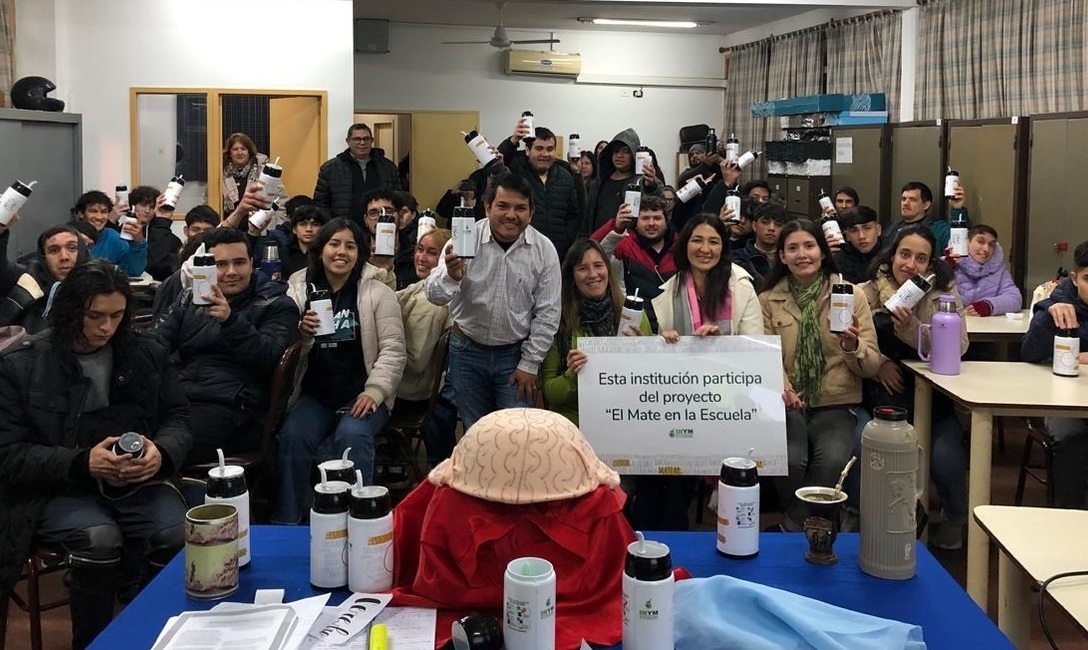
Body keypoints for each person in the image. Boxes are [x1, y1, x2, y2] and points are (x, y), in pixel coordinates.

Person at [0, 260, 191, 649]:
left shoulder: (145, 351)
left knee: (175, 534)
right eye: (95, 316)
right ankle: (94, 643)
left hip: (136, 480)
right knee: (99, 540)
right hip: (58, 487)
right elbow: (8, 456)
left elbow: (179, 417)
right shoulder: (21, 364)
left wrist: (163, 452)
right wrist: (81, 462)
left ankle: (153, 635)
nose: (106, 327)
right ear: (71, 311)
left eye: (117, 316)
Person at [274, 218, 406, 524]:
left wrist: (375, 391)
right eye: (334, 244)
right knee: (293, 436)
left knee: (352, 434)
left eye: (350, 245)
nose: (341, 252)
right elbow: (284, 346)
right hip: (316, 394)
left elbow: (393, 350)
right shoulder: (298, 288)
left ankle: (356, 518)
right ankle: (288, 520)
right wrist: (302, 332)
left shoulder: (377, 292)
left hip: (362, 393)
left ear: (360, 252)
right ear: (320, 250)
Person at [635, 214, 762, 531]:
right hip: (678, 397)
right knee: (659, 462)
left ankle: (674, 532)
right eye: (697, 240)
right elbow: (659, 361)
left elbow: (756, 351)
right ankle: (648, 539)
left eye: (714, 241)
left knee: (678, 467)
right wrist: (662, 342)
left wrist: (721, 345)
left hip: (732, 397)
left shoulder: (741, 286)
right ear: (684, 244)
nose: (705, 248)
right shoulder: (666, 291)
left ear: (723, 247)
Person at [759, 219, 882, 532]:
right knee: (789, 460)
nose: (803, 254)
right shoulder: (768, 300)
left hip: (836, 401)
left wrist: (852, 346)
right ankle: (815, 526)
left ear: (823, 252)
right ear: (782, 256)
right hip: (788, 402)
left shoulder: (851, 295)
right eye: (793, 248)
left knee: (830, 462)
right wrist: (785, 389)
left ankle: (791, 526)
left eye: (809, 246)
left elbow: (872, 365)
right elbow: (766, 356)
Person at [425, 173, 561, 431]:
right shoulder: (464, 239)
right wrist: (451, 277)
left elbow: (548, 313)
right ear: (487, 207)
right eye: (503, 206)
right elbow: (433, 295)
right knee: (476, 431)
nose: (511, 214)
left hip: (515, 355)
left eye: (520, 208)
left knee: (517, 435)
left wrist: (530, 363)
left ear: (531, 213)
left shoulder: (544, 250)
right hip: (466, 351)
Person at [860, 225, 969, 549]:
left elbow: (960, 345)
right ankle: (867, 521)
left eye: (921, 258)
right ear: (891, 255)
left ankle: (953, 520)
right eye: (904, 254)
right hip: (882, 397)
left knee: (946, 458)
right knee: (865, 451)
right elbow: (851, 342)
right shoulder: (865, 292)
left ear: (931, 264)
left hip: (933, 399)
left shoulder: (944, 293)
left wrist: (910, 329)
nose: (910, 264)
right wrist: (879, 364)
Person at [153, 227, 300, 465]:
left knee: (166, 449)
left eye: (240, 262)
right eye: (221, 265)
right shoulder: (189, 298)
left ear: (252, 263)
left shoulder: (277, 304)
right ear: (208, 267)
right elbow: (156, 344)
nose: (232, 272)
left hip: (235, 407)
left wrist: (230, 321)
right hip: (180, 396)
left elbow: (269, 358)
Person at [542, 239, 652, 425]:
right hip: (576, 425)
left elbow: (652, 381)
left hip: (624, 419)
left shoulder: (633, 315)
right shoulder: (558, 319)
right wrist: (573, 374)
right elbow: (551, 393)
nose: (593, 274)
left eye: (598, 265)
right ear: (572, 276)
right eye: (582, 268)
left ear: (608, 269)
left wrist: (641, 355)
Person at [1021, 241, 1088, 508]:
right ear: (1074, 278)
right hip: (1062, 401)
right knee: (1073, 441)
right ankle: (1067, 520)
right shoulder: (1058, 307)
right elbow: (1029, 353)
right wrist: (1048, 313)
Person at [395, 228, 457, 466]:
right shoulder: (421, 287)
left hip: (412, 392)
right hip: (428, 389)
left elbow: (416, 361)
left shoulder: (431, 303)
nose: (421, 257)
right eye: (420, 250)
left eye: (432, 253)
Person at [498, 122, 584, 262]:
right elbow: (496, 162)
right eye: (539, 148)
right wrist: (513, 140)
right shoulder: (516, 170)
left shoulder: (565, 176)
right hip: (522, 249)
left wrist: (567, 240)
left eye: (550, 149)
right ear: (527, 150)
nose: (545, 154)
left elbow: (574, 213)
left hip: (558, 253)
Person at [592, 194, 676, 331]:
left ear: (667, 222)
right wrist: (616, 226)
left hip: (671, 328)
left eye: (657, 218)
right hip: (633, 324)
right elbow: (592, 251)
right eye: (645, 218)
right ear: (636, 222)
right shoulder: (623, 244)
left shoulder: (681, 247)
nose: (651, 223)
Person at [0, 225, 85, 332]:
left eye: (72, 248)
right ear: (44, 258)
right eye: (54, 250)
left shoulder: (99, 284)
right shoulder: (28, 277)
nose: (64, 257)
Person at [313, 123, 401, 221]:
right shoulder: (330, 168)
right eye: (357, 139)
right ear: (348, 141)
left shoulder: (388, 167)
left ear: (372, 141)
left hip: (380, 224)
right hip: (344, 227)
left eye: (366, 139)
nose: (362, 143)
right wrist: (333, 225)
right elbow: (320, 203)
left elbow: (397, 198)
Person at [587, 128, 664, 232]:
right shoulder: (599, 183)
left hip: (630, 243)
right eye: (616, 151)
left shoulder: (643, 182)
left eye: (626, 151)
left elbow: (660, 207)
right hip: (598, 241)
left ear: (633, 155)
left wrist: (651, 187)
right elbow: (587, 218)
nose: (619, 155)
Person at [71, 190, 147, 277]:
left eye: (103, 212)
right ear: (81, 213)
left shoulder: (114, 238)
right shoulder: (68, 235)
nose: (99, 217)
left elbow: (133, 271)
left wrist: (138, 242)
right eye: (93, 211)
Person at [954, 224, 1023, 316]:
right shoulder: (948, 263)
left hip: (988, 326)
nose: (986, 249)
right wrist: (945, 269)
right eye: (980, 242)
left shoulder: (999, 269)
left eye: (991, 245)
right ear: (967, 242)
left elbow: (1015, 299)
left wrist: (989, 305)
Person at [884, 181, 971, 254]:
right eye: (904, 199)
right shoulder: (892, 227)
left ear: (926, 205)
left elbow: (962, 244)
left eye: (912, 199)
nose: (905, 203)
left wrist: (957, 208)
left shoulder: (938, 229)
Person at [256, 204, 331, 281]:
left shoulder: (328, 254)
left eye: (315, 225)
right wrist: (253, 233)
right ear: (294, 229)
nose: (309, 229)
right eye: (303, 224)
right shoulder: (283, 255)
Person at [733, 200, 787, 284]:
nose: (771, 228)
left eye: (778, 224)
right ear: (754, 226)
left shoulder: (789, 258)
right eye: (765, 223)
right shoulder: (737, 257)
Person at [222, 133, 276, 216]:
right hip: (228, 225)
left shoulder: (263, 170)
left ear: (249, 152)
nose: (239, 152)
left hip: (257, 225)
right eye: (235, 149)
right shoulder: (220, 174)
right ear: (230, 153)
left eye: (243, 149)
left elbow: (279, 199)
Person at [834, 205, 883, 284]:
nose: (861, 236)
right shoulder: (840, 260)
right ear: (847, 236)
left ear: (878, 230)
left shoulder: (890, 256)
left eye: (867, 228)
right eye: (854, 230)